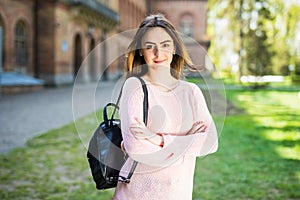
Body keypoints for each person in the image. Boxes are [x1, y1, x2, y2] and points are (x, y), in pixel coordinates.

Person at [113, 14, 218, 200]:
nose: (158, 53)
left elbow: (210, 142)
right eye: (149, 46)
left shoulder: (191, 92)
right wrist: (188, 138)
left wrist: (157, 139)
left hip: (178, 193)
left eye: (165, 45)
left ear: (175, 48)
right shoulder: (135, 87)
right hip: (137, 194)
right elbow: (136, 147)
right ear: (140, 51)